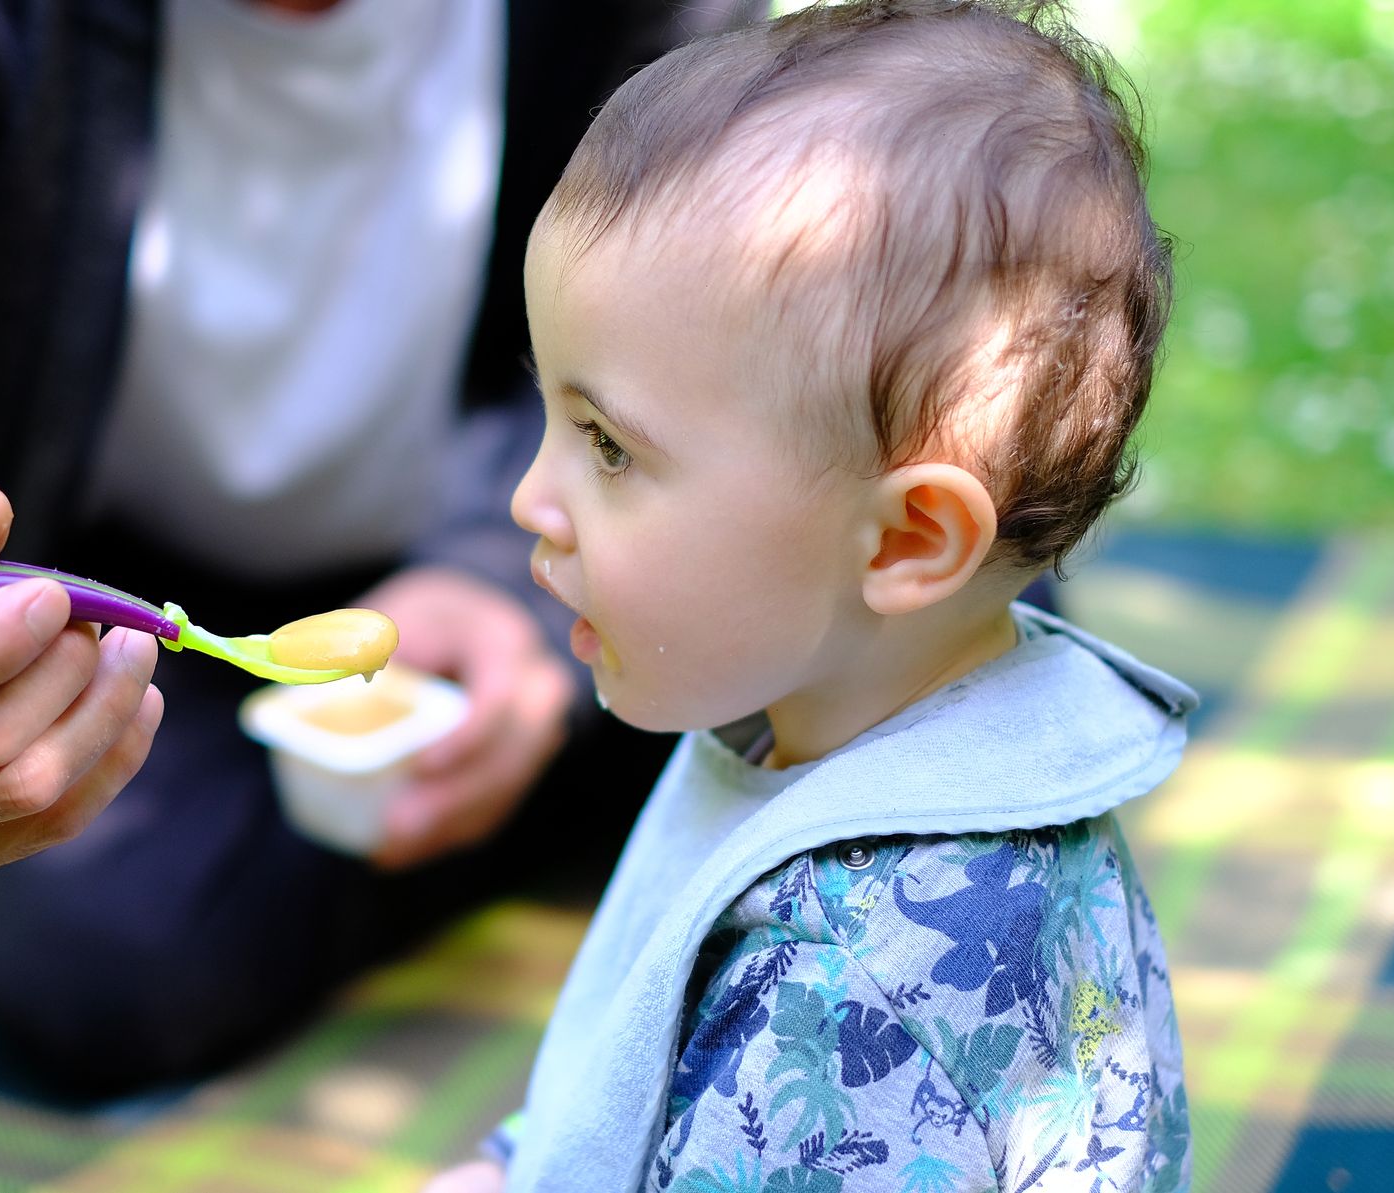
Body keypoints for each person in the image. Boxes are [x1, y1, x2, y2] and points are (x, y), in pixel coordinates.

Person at [0, 0, 767, 1093]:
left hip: (500, 556)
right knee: (106, 938)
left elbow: (712, 371)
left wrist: (498, 583)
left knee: (763, 671)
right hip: (94, 629)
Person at [421, 2, 1196, 1189]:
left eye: (609, 446)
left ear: (906, 539)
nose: (529, 498)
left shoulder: (850, 980)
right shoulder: (840, 725)